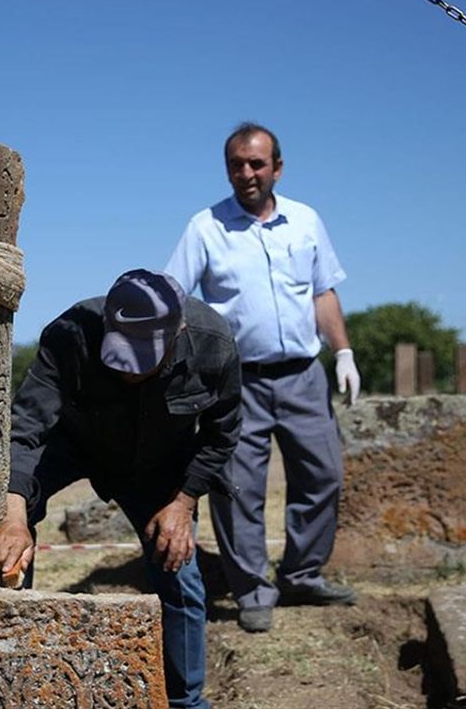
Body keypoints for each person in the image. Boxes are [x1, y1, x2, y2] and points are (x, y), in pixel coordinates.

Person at [0, 269, 241, 709]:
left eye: (144, 359)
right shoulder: (69, 334)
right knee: (7, 533)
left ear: (177, 334)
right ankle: (6, 679)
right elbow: (25, 430)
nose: (128, 373)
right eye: (121, 356)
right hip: (73, 443)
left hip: (159, 464)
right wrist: (12, 517)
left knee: (178, 570)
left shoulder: (213, 344)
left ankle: (185, 701)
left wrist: (183, 502)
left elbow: (222, 436)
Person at [164, 122, 362, 634]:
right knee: (237, 489)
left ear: (277, 167)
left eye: (257, 163)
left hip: (303, 375)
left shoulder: (306, 221)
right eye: (237, 164)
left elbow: (323, 292)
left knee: (323, 475)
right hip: (237, 382)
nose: (247, 173)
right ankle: (252, 590)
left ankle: (302, 575)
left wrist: (343, 352)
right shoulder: (205, 227)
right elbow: (174, 297)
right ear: (227, 169)